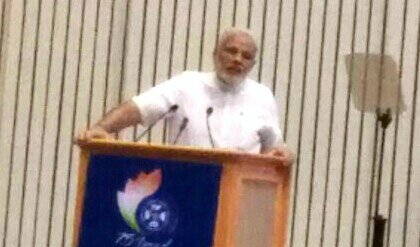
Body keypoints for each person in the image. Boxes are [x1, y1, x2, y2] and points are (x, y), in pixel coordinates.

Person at [81, 27, 294, 166]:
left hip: (240, 195)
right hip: (188, 184)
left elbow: (274, 149)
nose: (238, 59)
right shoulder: (187, 84)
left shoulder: (262, 97)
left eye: (246, 56)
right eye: (231, 51)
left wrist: (284, 156)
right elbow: (140, 107)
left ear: (252, 65)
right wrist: (101, 128)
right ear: (216, 54)